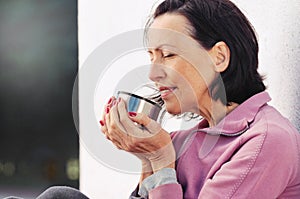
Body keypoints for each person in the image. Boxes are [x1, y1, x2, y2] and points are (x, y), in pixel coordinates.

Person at [99, 0, 300, 198]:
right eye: (152, 57)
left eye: (168, 55)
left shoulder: (267, 141)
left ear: (219, 57)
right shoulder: (179, 143)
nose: (153, 73)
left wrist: (161, 161)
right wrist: (148, 159)